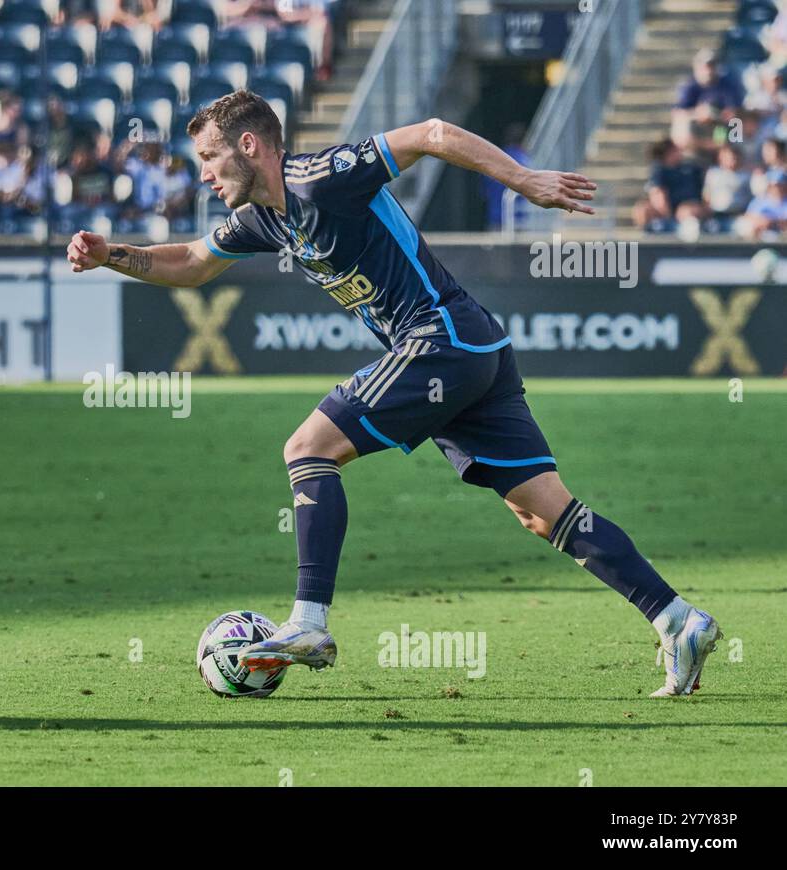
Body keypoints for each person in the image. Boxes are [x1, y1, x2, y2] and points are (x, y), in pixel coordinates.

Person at [65, 90, 721, 698]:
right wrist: (111, 254)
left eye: (208, 157)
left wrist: (525, 182)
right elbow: (193, 262)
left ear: (249, 146)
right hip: (475, 350)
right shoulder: (264, 219)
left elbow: (432, 133)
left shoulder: (321, 177)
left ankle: (308, 619)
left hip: (441, 339)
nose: (203, 173)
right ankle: (677, 619)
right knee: (544, 512)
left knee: (308, 447)